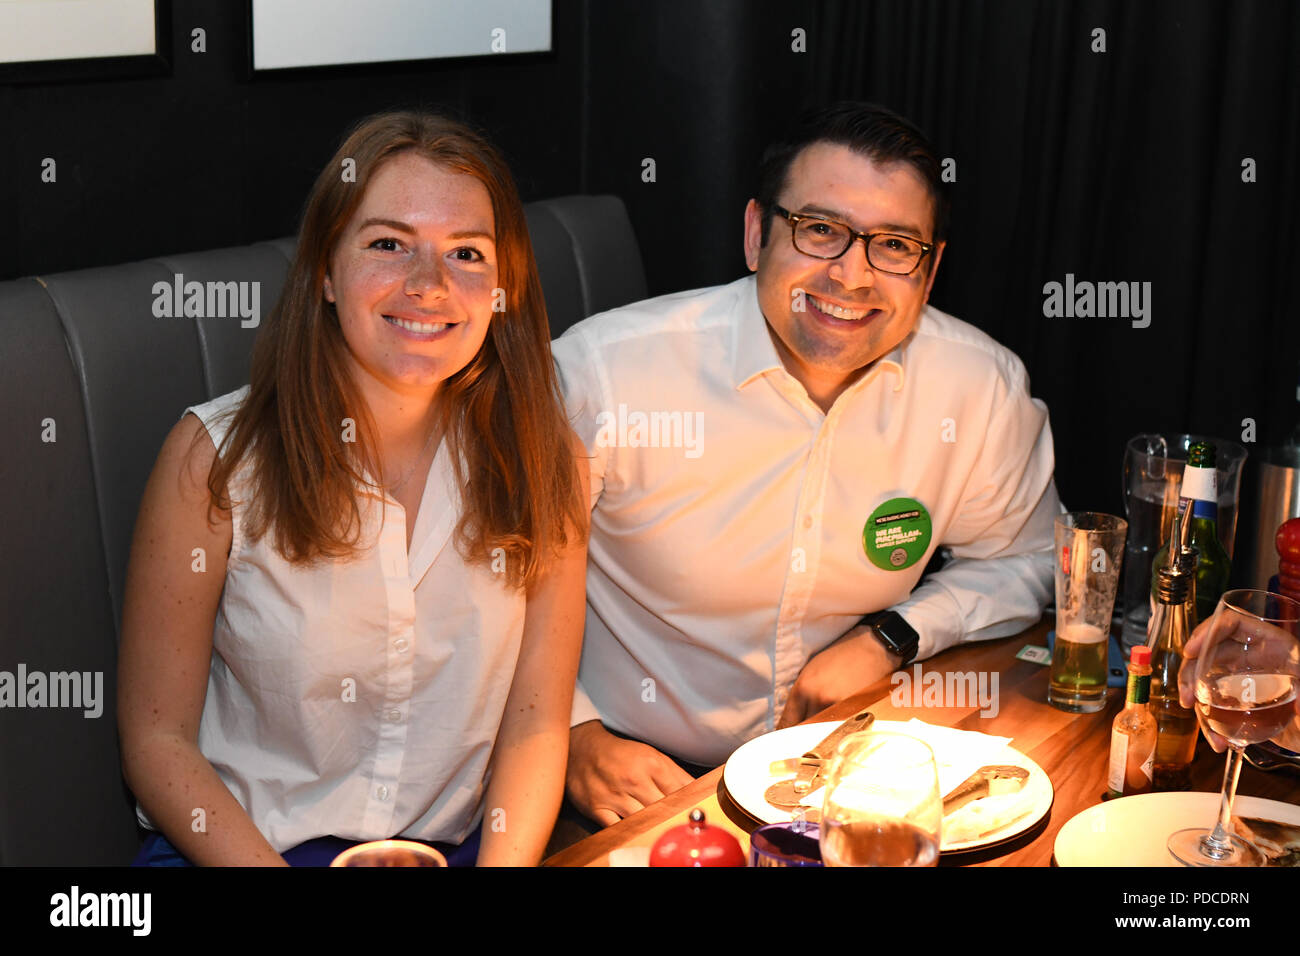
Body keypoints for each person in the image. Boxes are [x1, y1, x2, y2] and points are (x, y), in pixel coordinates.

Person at [552, 102, 1061, 826]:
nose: (851, 276)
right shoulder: (604, 375)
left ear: (931, 267)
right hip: (639, 779)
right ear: (758, 234)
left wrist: (892, 637)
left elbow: (1029, 558)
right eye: (821, 231)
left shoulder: (977, 388)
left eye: (894, 245)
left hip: (855, 770)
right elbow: (488, 583)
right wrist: (571, 736)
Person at [117, 111, 588, 866]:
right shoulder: (211, 459)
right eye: (388, 244)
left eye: (466, 253)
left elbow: (535, 723)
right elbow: (155, 740)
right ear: (326, 274)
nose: (429, 284)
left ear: (503, 291)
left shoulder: (544, 457)